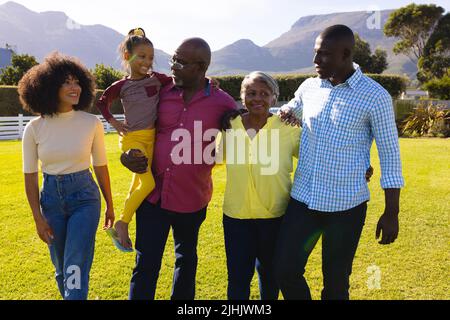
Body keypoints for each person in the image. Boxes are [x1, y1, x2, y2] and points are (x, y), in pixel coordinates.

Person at [275, 25, 404, 300]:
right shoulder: (309, 87)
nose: (315, 61)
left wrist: (392, 211)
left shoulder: (375, 96)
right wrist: (256, 110)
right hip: (303, 201)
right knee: (284, 268)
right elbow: (288, 110)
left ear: (345, 54)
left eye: (324, 55)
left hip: (346, 207)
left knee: (335, 285)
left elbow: (390, 154)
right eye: (315, 53)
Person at [120, 38, 237, 300]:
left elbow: (251, 121)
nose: (173, 66)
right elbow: (134, 129)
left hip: (192, 197)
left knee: (186, 260)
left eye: (181, 62)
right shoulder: (158, 90)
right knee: (145, 264)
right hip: (152, 197)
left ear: (201, 67)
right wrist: (125, 156)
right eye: (173, 59)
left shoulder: (223, 102)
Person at [20, 52, 115, 300]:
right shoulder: (34, 129)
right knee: (61, 266)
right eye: (67, 82)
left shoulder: (90, 123)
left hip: (85, 198)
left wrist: (110, 205)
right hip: (51, 199)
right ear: (49, 86)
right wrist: (37, 218)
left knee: (75, 262)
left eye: (77, 82)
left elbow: (101, 166)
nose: (75, 88)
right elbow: (30, 176)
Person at [217, 71, 301, 300]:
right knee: (237, 278)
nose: (258, 98)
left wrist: (358, 167)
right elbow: (213, 157)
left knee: (271, 276)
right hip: (236, 217)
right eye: (251, 93)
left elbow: (314, 159)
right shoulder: (229, 125)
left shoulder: (288, 128)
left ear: (274, 98)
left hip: (276, 216)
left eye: (265, 93)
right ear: (242, 96)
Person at [97, 28, 172, 251]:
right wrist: (114, 122)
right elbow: (102, 102)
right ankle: (122, 223)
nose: (147, 61)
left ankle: (122, 227)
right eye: (141, 56)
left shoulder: (157, 80)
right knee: (148, 183)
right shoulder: (121, 86)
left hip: (152, 140)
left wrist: (208, 82)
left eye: (150, 57)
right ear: (127, 56)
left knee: (136, 184)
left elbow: (181, 81)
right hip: (132, 141)